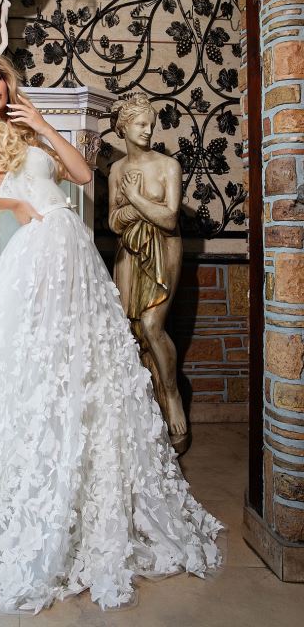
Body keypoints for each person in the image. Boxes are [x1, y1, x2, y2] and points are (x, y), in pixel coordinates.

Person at [0, 47, 226, 615]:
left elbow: (84, 175)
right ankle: (38, 488)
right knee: (41, 366)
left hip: (73, 255)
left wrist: (40, 123)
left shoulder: (26, 131)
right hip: (37, 256)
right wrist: (12, 204)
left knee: (82, 364)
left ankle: (85, 484)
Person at [108, 94, 188, 451]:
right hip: (129, 250)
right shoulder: (116, 170)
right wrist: (134, 210)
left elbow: (169, 219)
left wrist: (136, 199)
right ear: (123, 127)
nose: (148, 130)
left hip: (164, 247)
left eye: (151, 124)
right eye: (140, 124)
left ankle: (172, 395)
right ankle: (144, 404)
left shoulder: (169, 166)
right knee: (132, 328)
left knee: (153, 325)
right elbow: (113, 222)